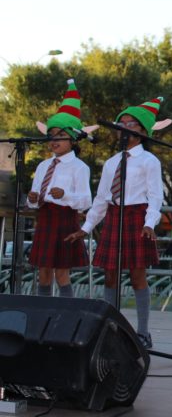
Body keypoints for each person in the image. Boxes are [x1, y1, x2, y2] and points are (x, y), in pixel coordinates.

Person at [66, 97, 172, 349]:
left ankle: (144, 332)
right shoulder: (112, 162)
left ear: (143, 132)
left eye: (132, 124)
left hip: (137, 217)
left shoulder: (149, 161)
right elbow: (102, 198)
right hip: (115, 216)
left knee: (137, 276)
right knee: (110, 276)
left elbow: (156, 196)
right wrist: (86, 228)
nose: (124, 128)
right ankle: (110, 328)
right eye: (121, 124)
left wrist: (149, 222)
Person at [28, 79, 95, 298]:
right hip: (45, 218)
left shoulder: (79, 167)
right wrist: (33, 198)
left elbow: (85, 201)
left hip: (65, 221)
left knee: (62, 274)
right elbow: (34, 199)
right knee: (43, 273)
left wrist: (65, 195)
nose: (53, 140)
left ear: (73, 139)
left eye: (59, 135)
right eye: (51, 135)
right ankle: (41, 312)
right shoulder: (43, 165)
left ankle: (66, 313)